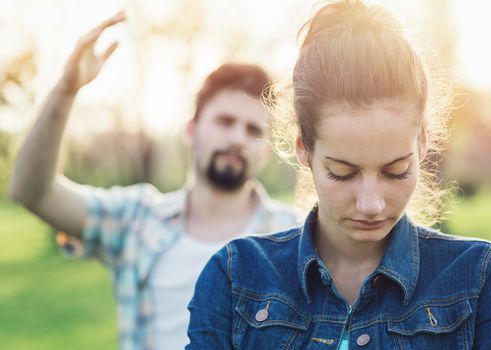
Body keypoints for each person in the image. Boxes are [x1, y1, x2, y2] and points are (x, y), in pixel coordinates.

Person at [187, 1, 491, 348]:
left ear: (423, 143)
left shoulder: (481, 280)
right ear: (304, 147)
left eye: (396, 172)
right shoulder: (234, 277)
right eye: (342, 173)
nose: (371, 204)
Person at [9, 11, 298, 350]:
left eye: (253, 130)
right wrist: (66, 89)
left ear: (266, 151)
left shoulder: (293, 236)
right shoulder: (136, 219)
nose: (237, 138)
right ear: (191, 130)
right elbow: (33, 191)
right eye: (224, 121)